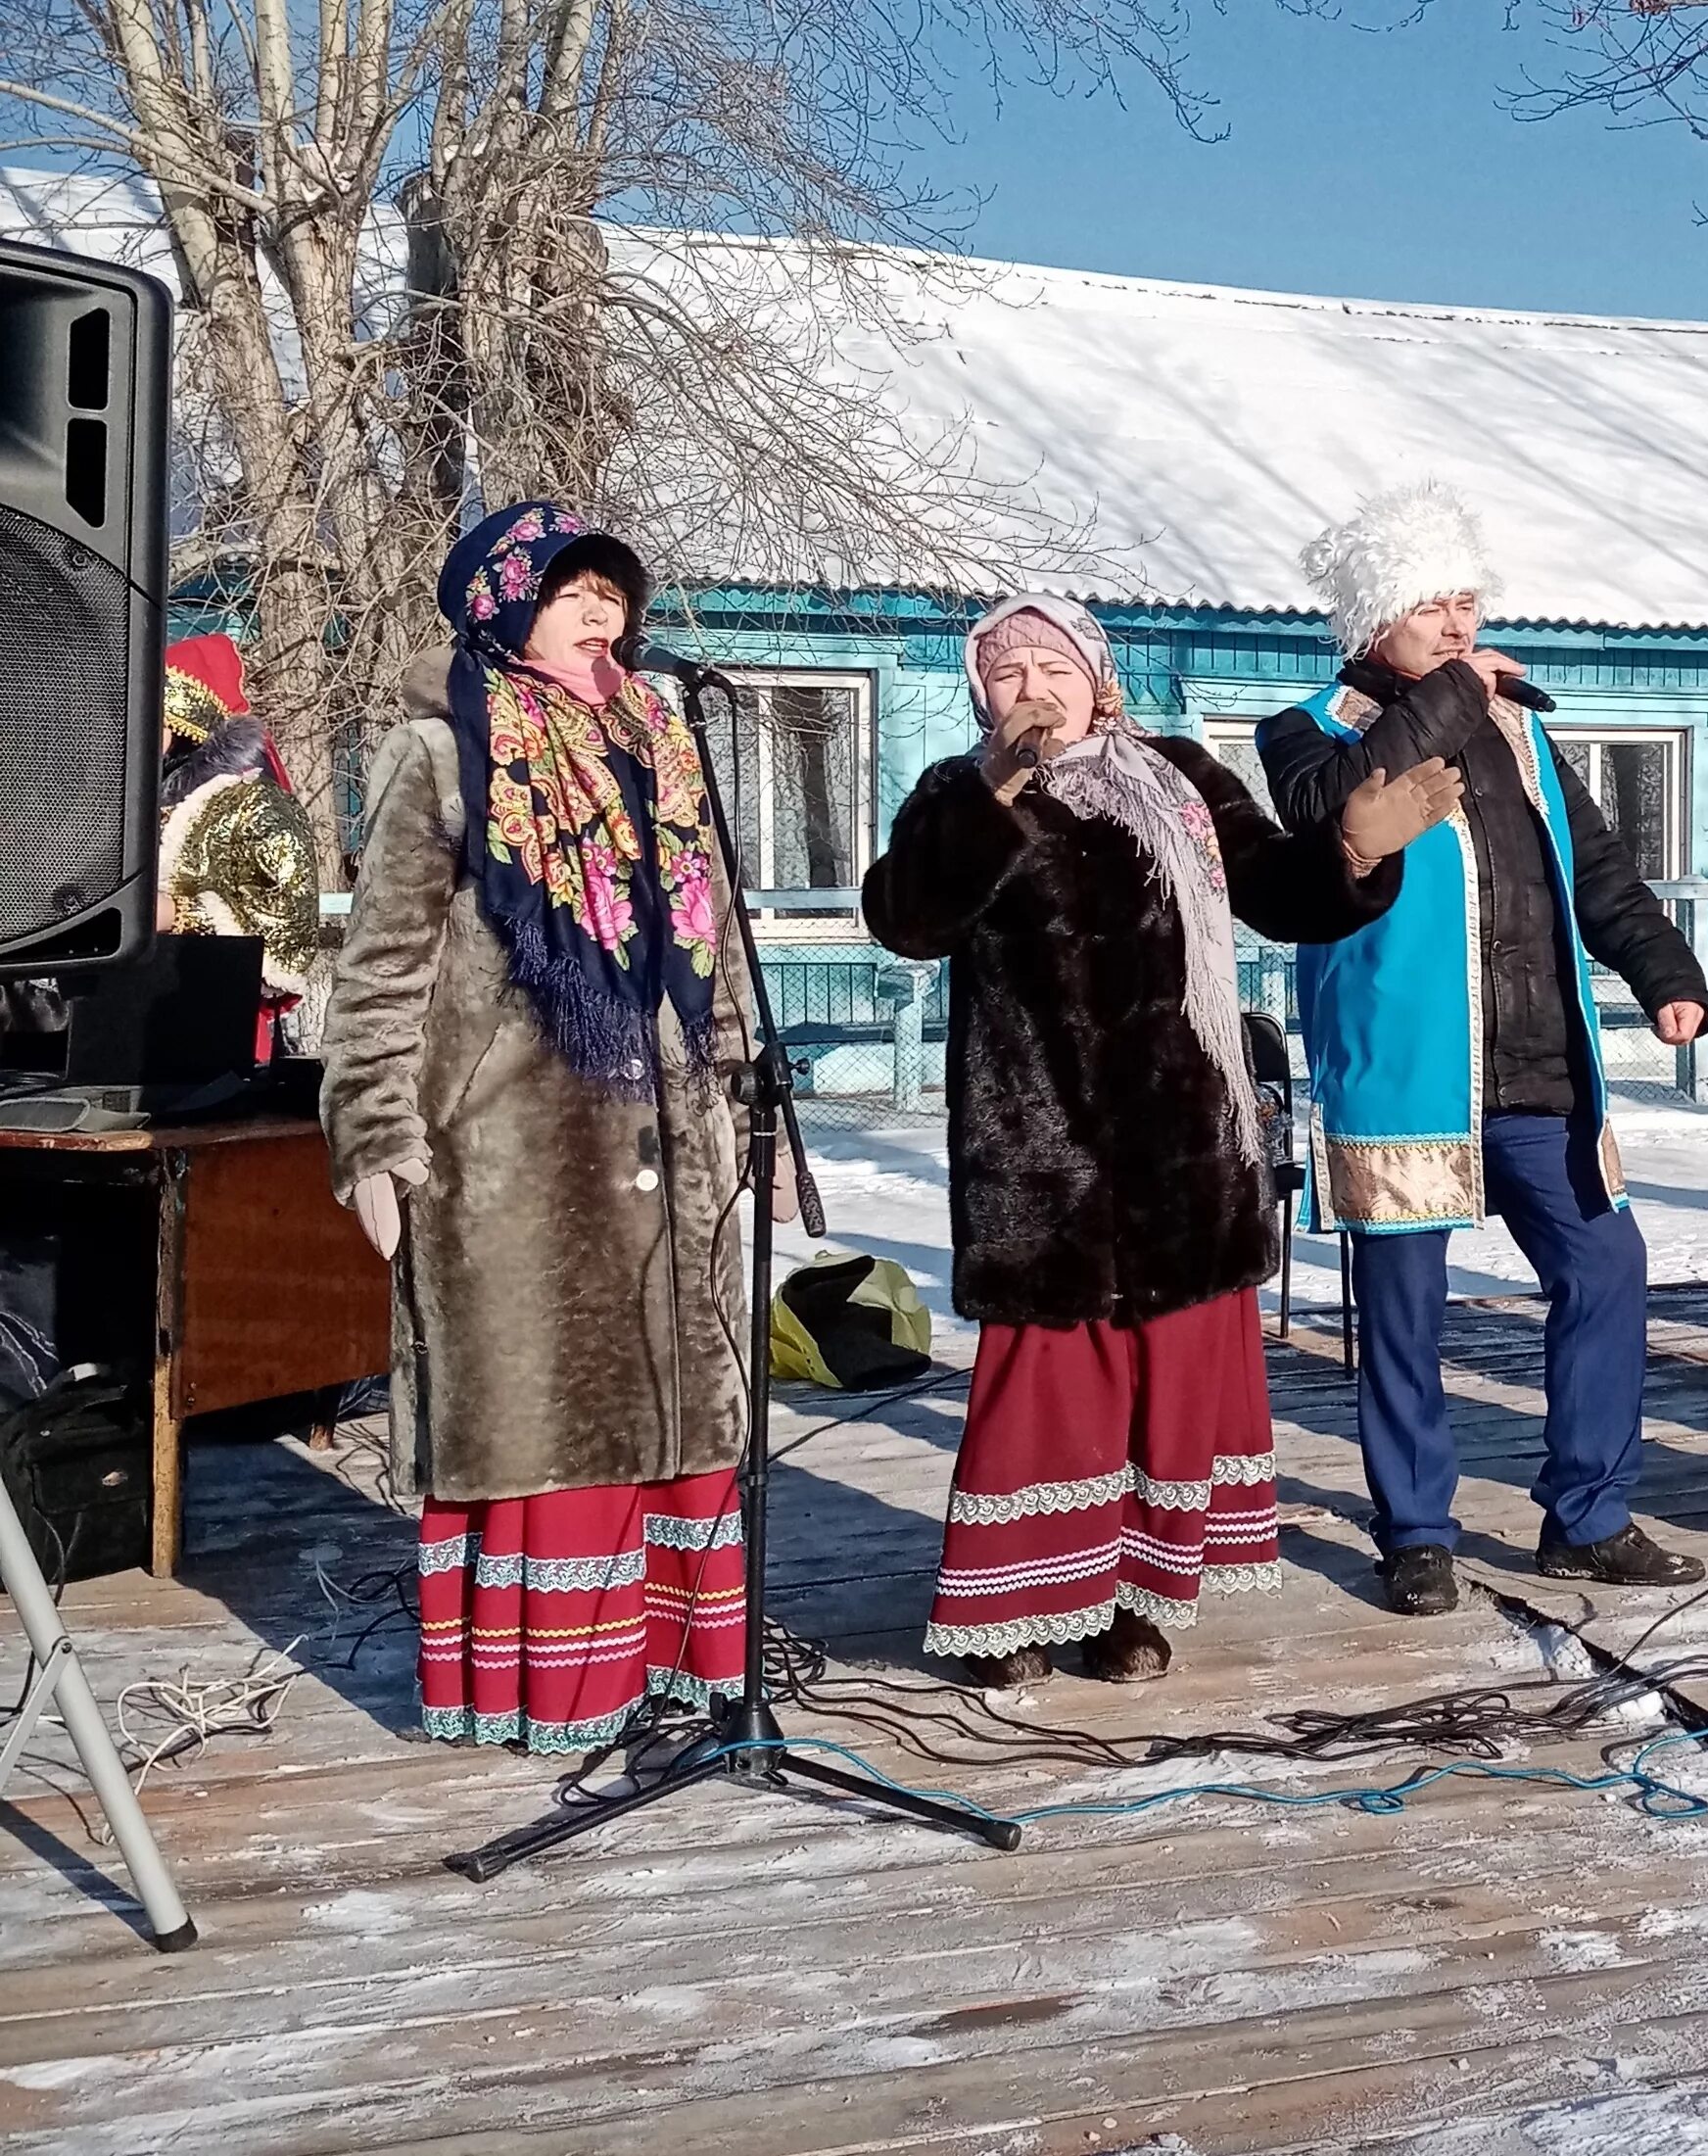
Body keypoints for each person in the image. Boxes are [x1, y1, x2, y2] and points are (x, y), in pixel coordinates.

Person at [863, 598, 1448, 1684]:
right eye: (1007, 671)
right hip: (1047, 1153)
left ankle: (1132, 1603)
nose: (1034, 685)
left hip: (1185, 1143)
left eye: (1054, 663)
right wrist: (993, 789)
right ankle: (1011, 1616)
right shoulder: (963, 795)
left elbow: (1278, 891)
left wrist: (1354, 853)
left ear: (1099, 678)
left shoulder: (1176, 775)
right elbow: (907, 918)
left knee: (1163, 1391)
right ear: (979, 696)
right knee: (1047, 1395)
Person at [321, 503, 759, 1750]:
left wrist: (735, 1095)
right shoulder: (442, 749)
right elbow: (380, 968)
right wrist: (374, 1136)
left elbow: (713, 945)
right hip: (511, 1147)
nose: (601, 615)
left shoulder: (665, 745)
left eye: (614, 596)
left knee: (675, 1396)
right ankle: (550, 1694)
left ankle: (677, 1666)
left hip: (671, 1142)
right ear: (504, 608)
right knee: (540, 1412)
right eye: (573, 594)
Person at [1258, 482, 1708, 1614]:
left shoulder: (1523, 729)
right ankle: (1416, 1528)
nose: (1460, 626)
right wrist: (1459, 695)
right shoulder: (1309, 730)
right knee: (1406, 1308)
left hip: (1539, 1063)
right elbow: (1336, 814)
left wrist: (1662, 968)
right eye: (1432, 608)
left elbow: (1597, 870)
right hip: (1409, 1068)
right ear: (1374, 623)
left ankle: (1589, 1513)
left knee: (1603, 1264)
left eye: (1467, 603)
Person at [159, 633, 321, 1059]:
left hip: (218, 1024)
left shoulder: (255, 804)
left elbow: (286, 929)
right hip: (120, 1018)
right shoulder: (124, 801)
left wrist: (178, 913)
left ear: (183, 722)